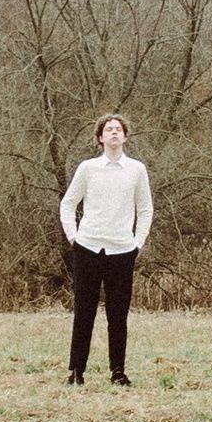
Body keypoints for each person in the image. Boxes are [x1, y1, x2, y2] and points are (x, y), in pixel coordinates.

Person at [59, 113, 153, 386]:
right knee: (83, 312)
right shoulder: (88, 168)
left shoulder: (137, 170)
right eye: (109, 130)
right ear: (100, 138)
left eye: (118, 129)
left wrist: (138, 242)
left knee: (118, 315)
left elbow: (145, 209)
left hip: (122, 251)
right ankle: (76, 372)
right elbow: (68, 204)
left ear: (125, 136)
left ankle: (118, 372)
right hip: (88, 248)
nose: (114, 133)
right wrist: (73, 237)